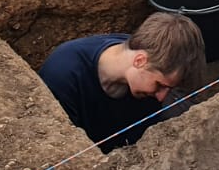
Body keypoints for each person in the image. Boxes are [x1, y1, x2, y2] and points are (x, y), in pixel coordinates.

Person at [38, 11, 206, 152]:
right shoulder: (62, 76)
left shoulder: (150, 56)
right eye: (159, 85)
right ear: (140, 60)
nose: (161, 97)